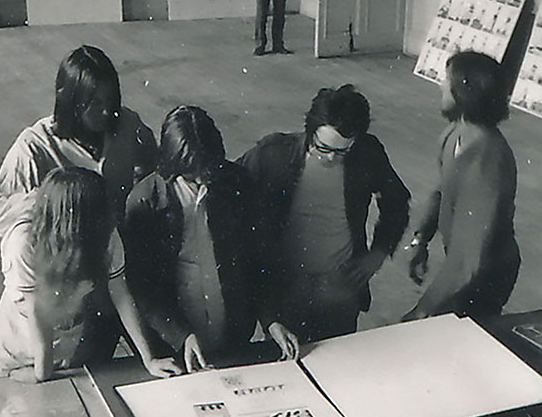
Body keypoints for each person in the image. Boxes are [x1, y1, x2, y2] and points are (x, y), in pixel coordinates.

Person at [124, 105, 299, 370]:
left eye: (208, 171)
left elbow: (259, 260)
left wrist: (272, 320)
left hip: (232, 331)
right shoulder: (145, 200)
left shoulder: (238, 183)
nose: (201, 180)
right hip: (174, 341)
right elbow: (144, 287)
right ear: (172, 162)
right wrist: (181, 336)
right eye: (191, 175)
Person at [239, 85, 410, 343]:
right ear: (310, 131)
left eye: (342, 151)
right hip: (286, 287)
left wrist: (378, 253)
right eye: (323, 148)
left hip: (340, 287)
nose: (331, 158)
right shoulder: (274, 153)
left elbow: (397, 200)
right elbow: (230, 184)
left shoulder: (367, 153)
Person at [0, 167, 179, 382]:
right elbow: (36, 310)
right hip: (21, 345)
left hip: (66, 342)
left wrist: (149, 359)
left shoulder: (104, 233)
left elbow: (121, 295)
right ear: (77, 216)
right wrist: (41, 373)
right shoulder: (23, 241)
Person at [0, 45, 157, 237]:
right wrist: (53, 201)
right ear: (71, 101)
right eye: (95, 103)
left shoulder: (128, 124)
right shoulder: (34, 147)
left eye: (110, 100)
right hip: (70, 249)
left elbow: (152, 165)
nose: (106, 111)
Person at [404, 50, 520, 321]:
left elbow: (468, 260)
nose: (441, 85)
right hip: (463, 258)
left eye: (447, 80)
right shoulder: (455, 133)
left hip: (485, 274)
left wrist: (420, 311)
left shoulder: (487, 162)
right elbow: (441, 191)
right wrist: (421, 239)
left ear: (466, 92)